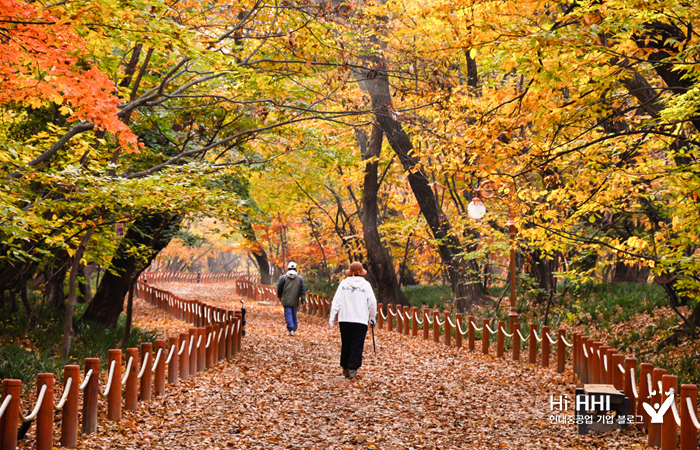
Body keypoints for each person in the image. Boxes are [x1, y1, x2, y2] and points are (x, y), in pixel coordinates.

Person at [329, 261, 377, 381]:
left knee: (346, 342)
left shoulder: (343, 284)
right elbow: (372, 303)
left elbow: (336, 301)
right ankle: (353, 369)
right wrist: (372, 317)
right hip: (360, 320)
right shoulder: (366, 285)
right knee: (357, 344)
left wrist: (332, 316)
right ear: (361, 272)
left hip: (345, 319)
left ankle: (345, 366)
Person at [277, 261, 306, 336]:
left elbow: (279, 288)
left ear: (288, 268)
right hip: (295, 300)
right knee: (294, 314)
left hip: (286, 300)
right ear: (296, 269)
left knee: (288, 314)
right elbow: (302, 289)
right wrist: (303, 299)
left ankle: (291, 329)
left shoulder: (284, 278)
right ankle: (294, 327)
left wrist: (279, 296)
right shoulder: (299, 278)